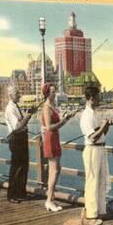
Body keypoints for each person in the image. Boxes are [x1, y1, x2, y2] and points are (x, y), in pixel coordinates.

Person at [80, 86, 113, 219]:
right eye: (98, 97)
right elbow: (92, 136)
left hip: (100, 148)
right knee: (92, 182)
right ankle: (91, 213)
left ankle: (101, 211)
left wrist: (107, 126)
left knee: (101, 181)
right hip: (92, 150)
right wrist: (102, 126)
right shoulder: (86, 116)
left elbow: (102, 134)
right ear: (91, 98)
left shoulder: (96, 113)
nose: (99, 99)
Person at [41, 83, 74, 212]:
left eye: (55, 91)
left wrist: (64, 118)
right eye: (52, 92)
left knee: (55, 170)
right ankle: (49, 200)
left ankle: (50, 198)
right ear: (47, 94)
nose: (54, 94)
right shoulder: (46, 108)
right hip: (50, 139)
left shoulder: (52, 106)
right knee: (54, 171)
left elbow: (54, 124)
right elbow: (49, 127)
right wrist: (64, 121)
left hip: (55, 138)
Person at [5, 86, 33, 203]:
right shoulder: (10, 109)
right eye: (17, 93)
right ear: (11, 95)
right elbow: (17, 126)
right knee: (16, 167)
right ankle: (12, 195)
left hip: (22, 138)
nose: (19, 95)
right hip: (16, 139)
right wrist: (28, 116)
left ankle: (21, 192)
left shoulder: (16, 106)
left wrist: (27, 116)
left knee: (24, 166)